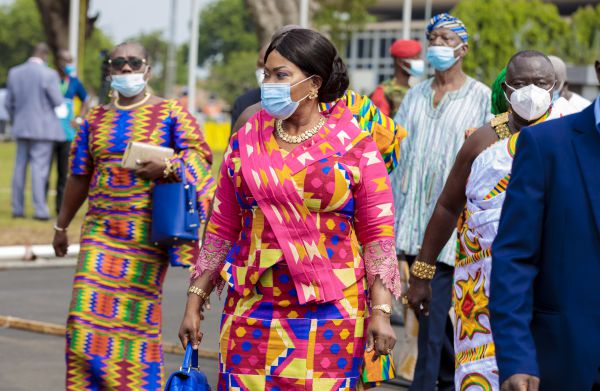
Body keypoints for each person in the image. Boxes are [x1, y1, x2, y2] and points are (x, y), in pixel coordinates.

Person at [178, 29, 401, 389]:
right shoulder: (247, 139)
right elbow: (222, 227)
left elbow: (378, 238)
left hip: (331, 308)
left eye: (281, 75)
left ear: (314, 82)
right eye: (266, 74)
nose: (269, 83)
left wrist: (381, 312)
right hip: (251, 305)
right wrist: (195, 300)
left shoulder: (356, 145)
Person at [52, 42, 215, 390]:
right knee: (82, 321)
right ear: (110, 71)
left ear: (147, 70)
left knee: (134, 324)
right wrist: (61, 225)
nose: (126, 70)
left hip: (146, 235)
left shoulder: (171, 113)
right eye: (119, 64)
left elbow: (200, 158)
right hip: (100, 231)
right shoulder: (94, 119)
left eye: (134, 63)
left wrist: (168, 164)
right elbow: (79, 176)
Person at [407, 50, 574, 391]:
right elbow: (446, 207)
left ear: (554, 86)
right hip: (481, 296)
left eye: (540, 83)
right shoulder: (481, 141)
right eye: (521, 83)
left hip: (550, 289)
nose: (531, 91)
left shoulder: (568, 137)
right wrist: (421, 274)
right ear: (506, 88)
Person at [390, 13, 493, 391]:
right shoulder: (415, 94)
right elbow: (396, 154)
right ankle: (450, 380)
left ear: (462, 49)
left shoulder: (481, 98)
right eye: (432, 37)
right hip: (410, 225)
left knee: (430, 319)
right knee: (429, 316)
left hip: (449, 232)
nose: (437, 45)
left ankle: (425, 385)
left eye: (446, 38)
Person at [489, 58, 600, 391]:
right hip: (565, 360)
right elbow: (515, 259)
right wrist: (516, 356)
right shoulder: (546, 144)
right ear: (599, 69)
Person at [5, 43, 64, 220]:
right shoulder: (49, 74)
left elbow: (8, 103)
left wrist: (18, 119)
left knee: (19, 168)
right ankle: (40, 210)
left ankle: (18, 208)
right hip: (43, 129)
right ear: (45, 56)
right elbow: (57, 101)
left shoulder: (14, 72)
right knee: (39, 170)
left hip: (21, 127)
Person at [49, 49, 90, 215]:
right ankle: (41, 207)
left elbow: (86, 100)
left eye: (70, 60)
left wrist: (79, 118)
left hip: (67, 132)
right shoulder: (50, 78)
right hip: (48, 131)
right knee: (43, 172)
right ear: (58, 61)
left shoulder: (74, 81)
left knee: (63, 172)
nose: (68, 64)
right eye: (65, 60)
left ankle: (60, 208)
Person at [370, 39, 423, 118]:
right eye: (415, 58)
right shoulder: (383, 92)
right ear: (400, 62)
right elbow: (377, 126)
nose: (419, 62)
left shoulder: (414, 91)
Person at [229, 45, 268, 135]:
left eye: (280, 74)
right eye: (261, 65)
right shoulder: (243, 105)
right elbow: (233, 146)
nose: (264, 73)